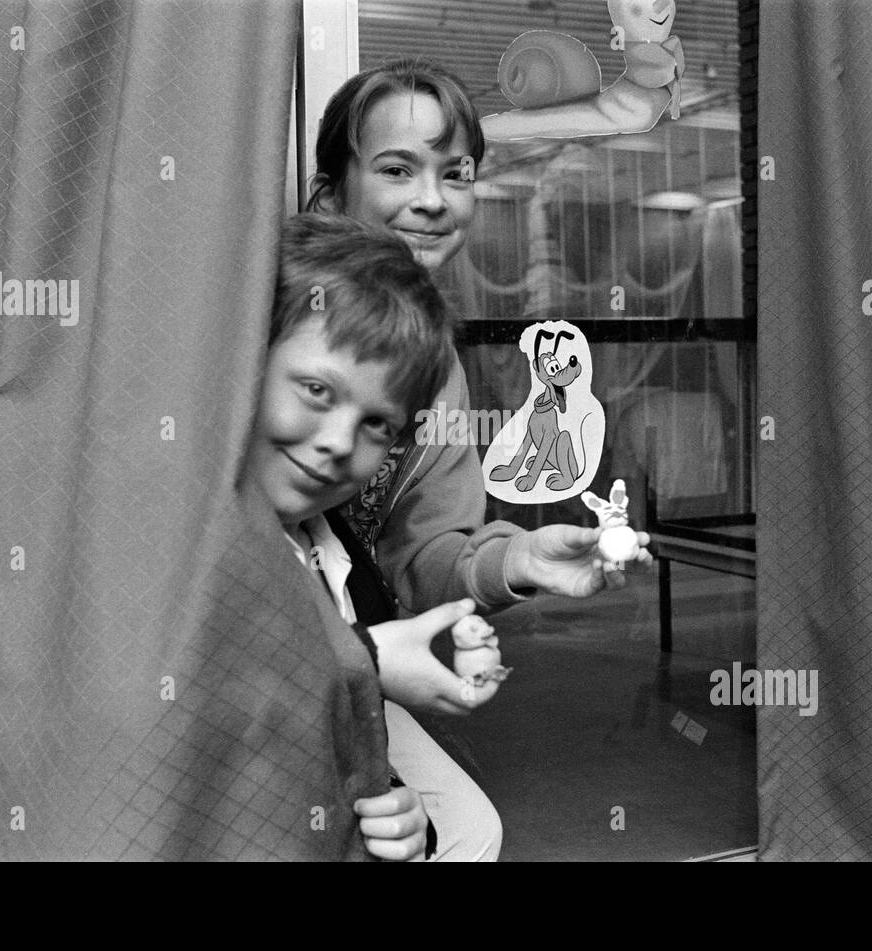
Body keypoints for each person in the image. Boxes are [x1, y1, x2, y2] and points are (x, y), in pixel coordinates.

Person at [306, 60, 652, 861]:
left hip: (346, 649)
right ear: (332, 195)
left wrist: (520, 557)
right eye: (397, 169)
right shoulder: (281, 311)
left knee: (464, 832)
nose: (433, 200)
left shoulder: (438, 365)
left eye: (455, 174)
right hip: (260, 652)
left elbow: (425, 553)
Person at [245, 212, 476, 860]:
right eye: (317, 389)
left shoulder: (333, 558)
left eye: (377, 423)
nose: (339, 442)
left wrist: (399, 810)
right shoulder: (190, 534)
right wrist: (365, 659)